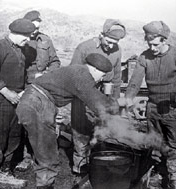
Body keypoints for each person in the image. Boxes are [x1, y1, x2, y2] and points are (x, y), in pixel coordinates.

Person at [16, 53, 121, 189]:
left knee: (44, 150)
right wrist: (116, 112)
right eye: (101, 75)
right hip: (38, 104)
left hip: (34, 100)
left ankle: (45, 183)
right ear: (94, 69)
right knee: (47, 153)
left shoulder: (77, 70)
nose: (101, 79)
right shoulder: (83, 76)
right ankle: (45, 186)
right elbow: (97, 103)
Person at [125, 21, 176, 189]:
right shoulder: (144, 57)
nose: (152, 48)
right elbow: (134, 83)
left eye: (155, 44)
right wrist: (125, 101)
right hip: (153, 108)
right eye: (149, 44)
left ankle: (174, 178)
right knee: (154, 143)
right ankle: (155, 171)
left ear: (164, 40)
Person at [0, 18, 36, 189]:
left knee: (13, 137)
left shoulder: (21, 50)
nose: (28, 40)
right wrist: (7, 92)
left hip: (15, 99)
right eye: (26, 36)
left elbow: (22, 76)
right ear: (15, 33)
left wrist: (23, 91)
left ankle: (5, 173)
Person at [69, 19, 126, 174]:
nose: (112, 45)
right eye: (109, 41)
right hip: (84, 93)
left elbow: (117, 77)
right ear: (101, 35)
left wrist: (114, 101)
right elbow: (73, 75)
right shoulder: (84, 48)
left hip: (105, 92)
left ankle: (96, 165)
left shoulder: (117, 50)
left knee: (101, 128)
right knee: (81, 130)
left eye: (116, 42)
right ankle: (79, 168)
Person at [23, 10, 61, 84]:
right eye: (32, 28)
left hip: (43, 81)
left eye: (37, 28)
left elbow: (55, 62)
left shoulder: (45, 39)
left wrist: (45, 74)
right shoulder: (20, 41)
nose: (34, 31)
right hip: (24, 83)